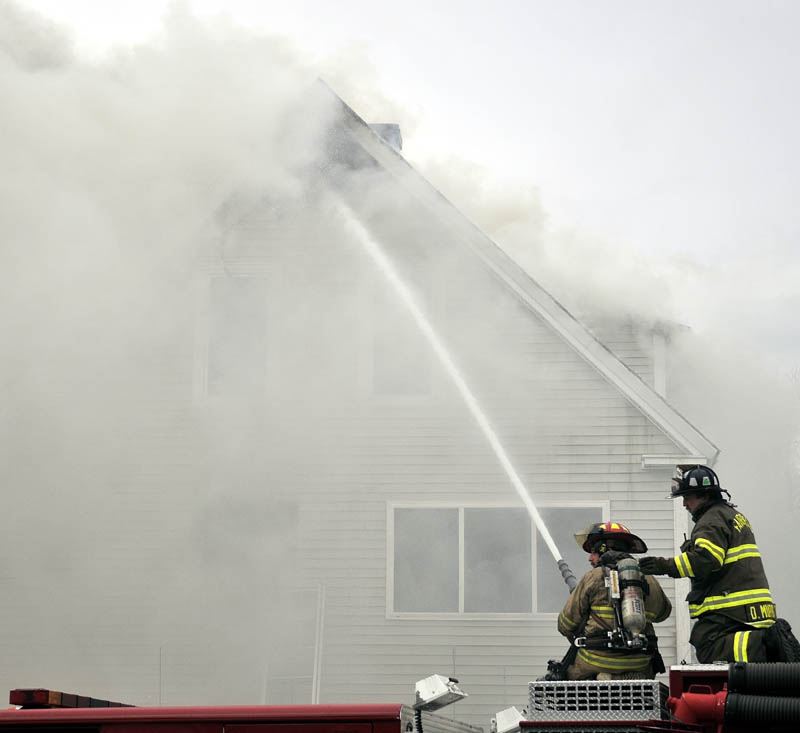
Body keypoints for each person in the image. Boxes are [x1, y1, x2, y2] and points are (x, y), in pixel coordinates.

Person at [638, 464, 800, 663]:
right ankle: (768, 648)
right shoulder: (732, 516)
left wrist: (664, 565)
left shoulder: (710, 520)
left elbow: (706, 559)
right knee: (740, 659)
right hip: (754, 608)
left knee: (708, 645)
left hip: (732, 608)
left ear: (705, 496)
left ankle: (764, 642)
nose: (684, 504)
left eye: (688, 497)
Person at [557, 521, 672, 680]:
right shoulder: (647, 578)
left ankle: (604, 679)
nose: (590, 558)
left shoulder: (593, 577)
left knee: (564, 676)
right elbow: (663, 614)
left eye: (593, 552)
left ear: (604, 549)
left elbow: (565, 625)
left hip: (595, 660)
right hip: (639, 662)